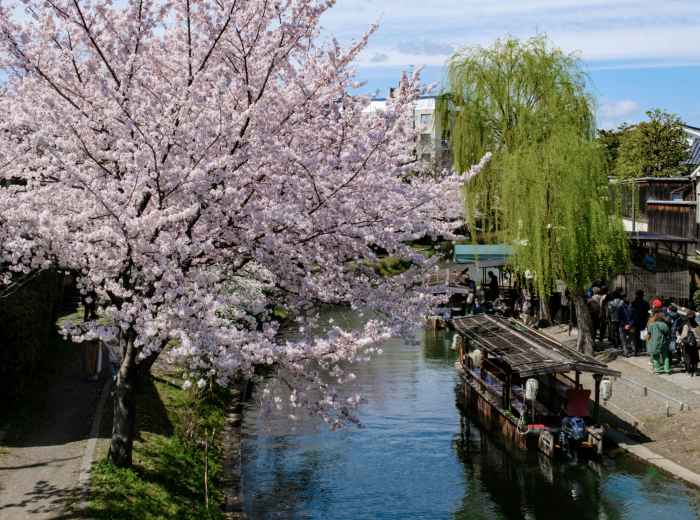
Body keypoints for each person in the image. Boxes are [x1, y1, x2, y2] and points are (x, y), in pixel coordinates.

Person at [647, 310, 671, 375]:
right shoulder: (664, 325)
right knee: (665, 356)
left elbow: (649, 333)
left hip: (654, 342)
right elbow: (667, 332)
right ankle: (667, 369)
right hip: (663, 342)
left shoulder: (651, 324)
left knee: (655, 356)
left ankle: (658, 370)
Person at [678, 311, 700, 376]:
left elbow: (683, 335)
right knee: (695, 356)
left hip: (687, 344)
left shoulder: (686, 325)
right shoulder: (697, 325)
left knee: (687, 356)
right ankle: (695, 370)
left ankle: (689, 370)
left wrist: (680, 341)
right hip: (695, 343)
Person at [631, 290, 650, 354]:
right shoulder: (646, 303)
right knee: (643, 335)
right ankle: (643, 348)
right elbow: (648, 313)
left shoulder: (633, 303)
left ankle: (636, 349)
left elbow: (631, 313)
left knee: (635, 336)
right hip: (643, 321)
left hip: (635, 322)